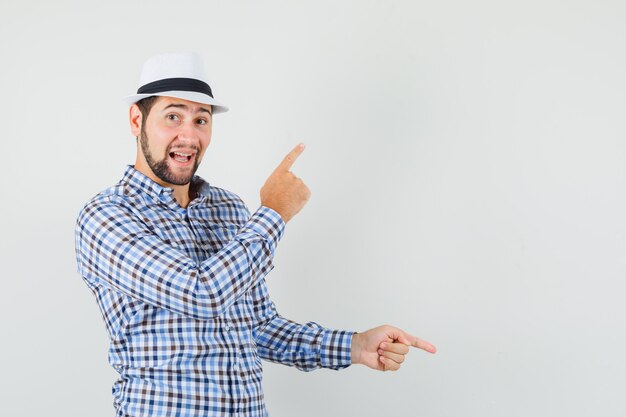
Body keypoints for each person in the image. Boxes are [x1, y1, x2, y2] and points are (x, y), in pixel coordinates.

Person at [75, 52, 436, 417]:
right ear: (137, 120)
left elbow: (258, 328)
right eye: (173, 116)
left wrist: (355, 346)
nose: (189, 135)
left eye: (201, 120)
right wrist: (274, 212)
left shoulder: (229, 209)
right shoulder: (107, 217)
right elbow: (202, 294)